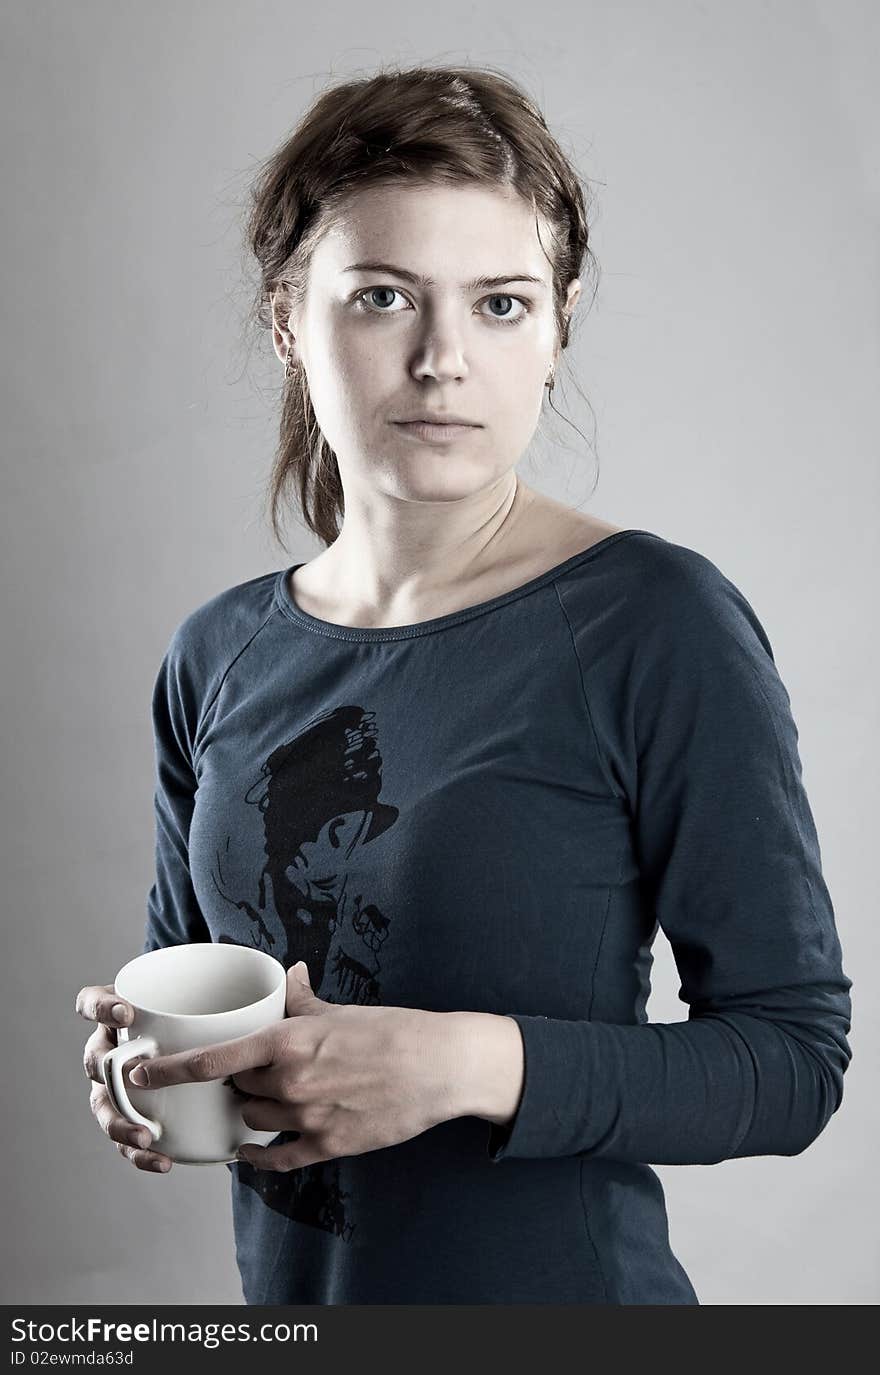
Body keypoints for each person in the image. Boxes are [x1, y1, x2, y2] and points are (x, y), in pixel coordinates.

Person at [76, 63, 853, 1305]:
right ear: (288, 318)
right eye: (384, 296)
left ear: (557, 326)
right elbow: (194, 982)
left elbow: (792, 1062)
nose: (443, 358)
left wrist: (466, 1066)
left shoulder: (655, 624)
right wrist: (142, 1067)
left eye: (500, 303)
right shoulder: (216, 651)